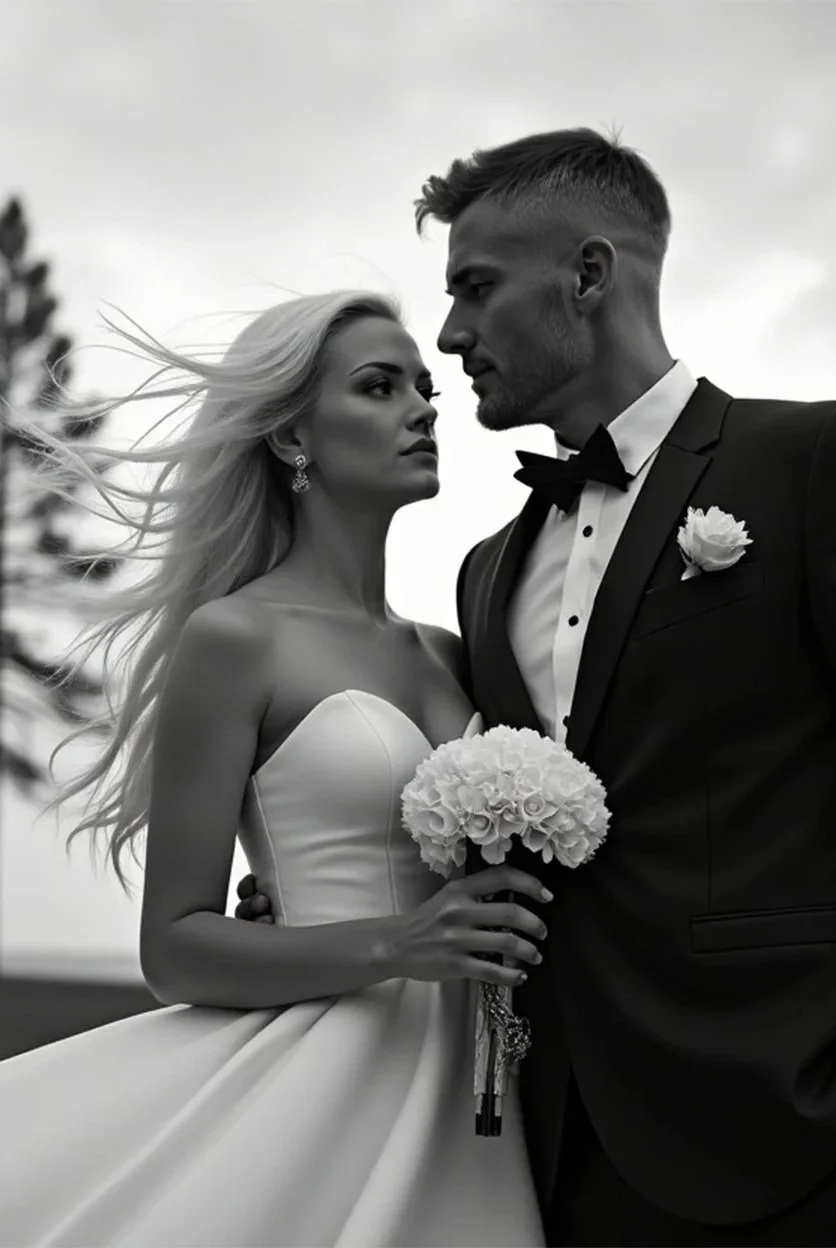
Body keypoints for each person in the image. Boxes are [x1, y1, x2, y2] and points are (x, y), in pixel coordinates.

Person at [237, 130, 836, 1246]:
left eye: (476, 289)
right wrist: (318, 909)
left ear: (587, 276)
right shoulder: (486, 569)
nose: (449, 337)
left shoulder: (814, 463)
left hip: (801, 1144)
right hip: (539, 1157)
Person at [0, 290, 547, 1247]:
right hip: (326, 1076)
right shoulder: (236, 638)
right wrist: (398, 942)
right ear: (293, 436)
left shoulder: (454, 650)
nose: (425, 407)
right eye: (379, 387)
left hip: (481, 1092)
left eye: (423, 387)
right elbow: (173, 948)